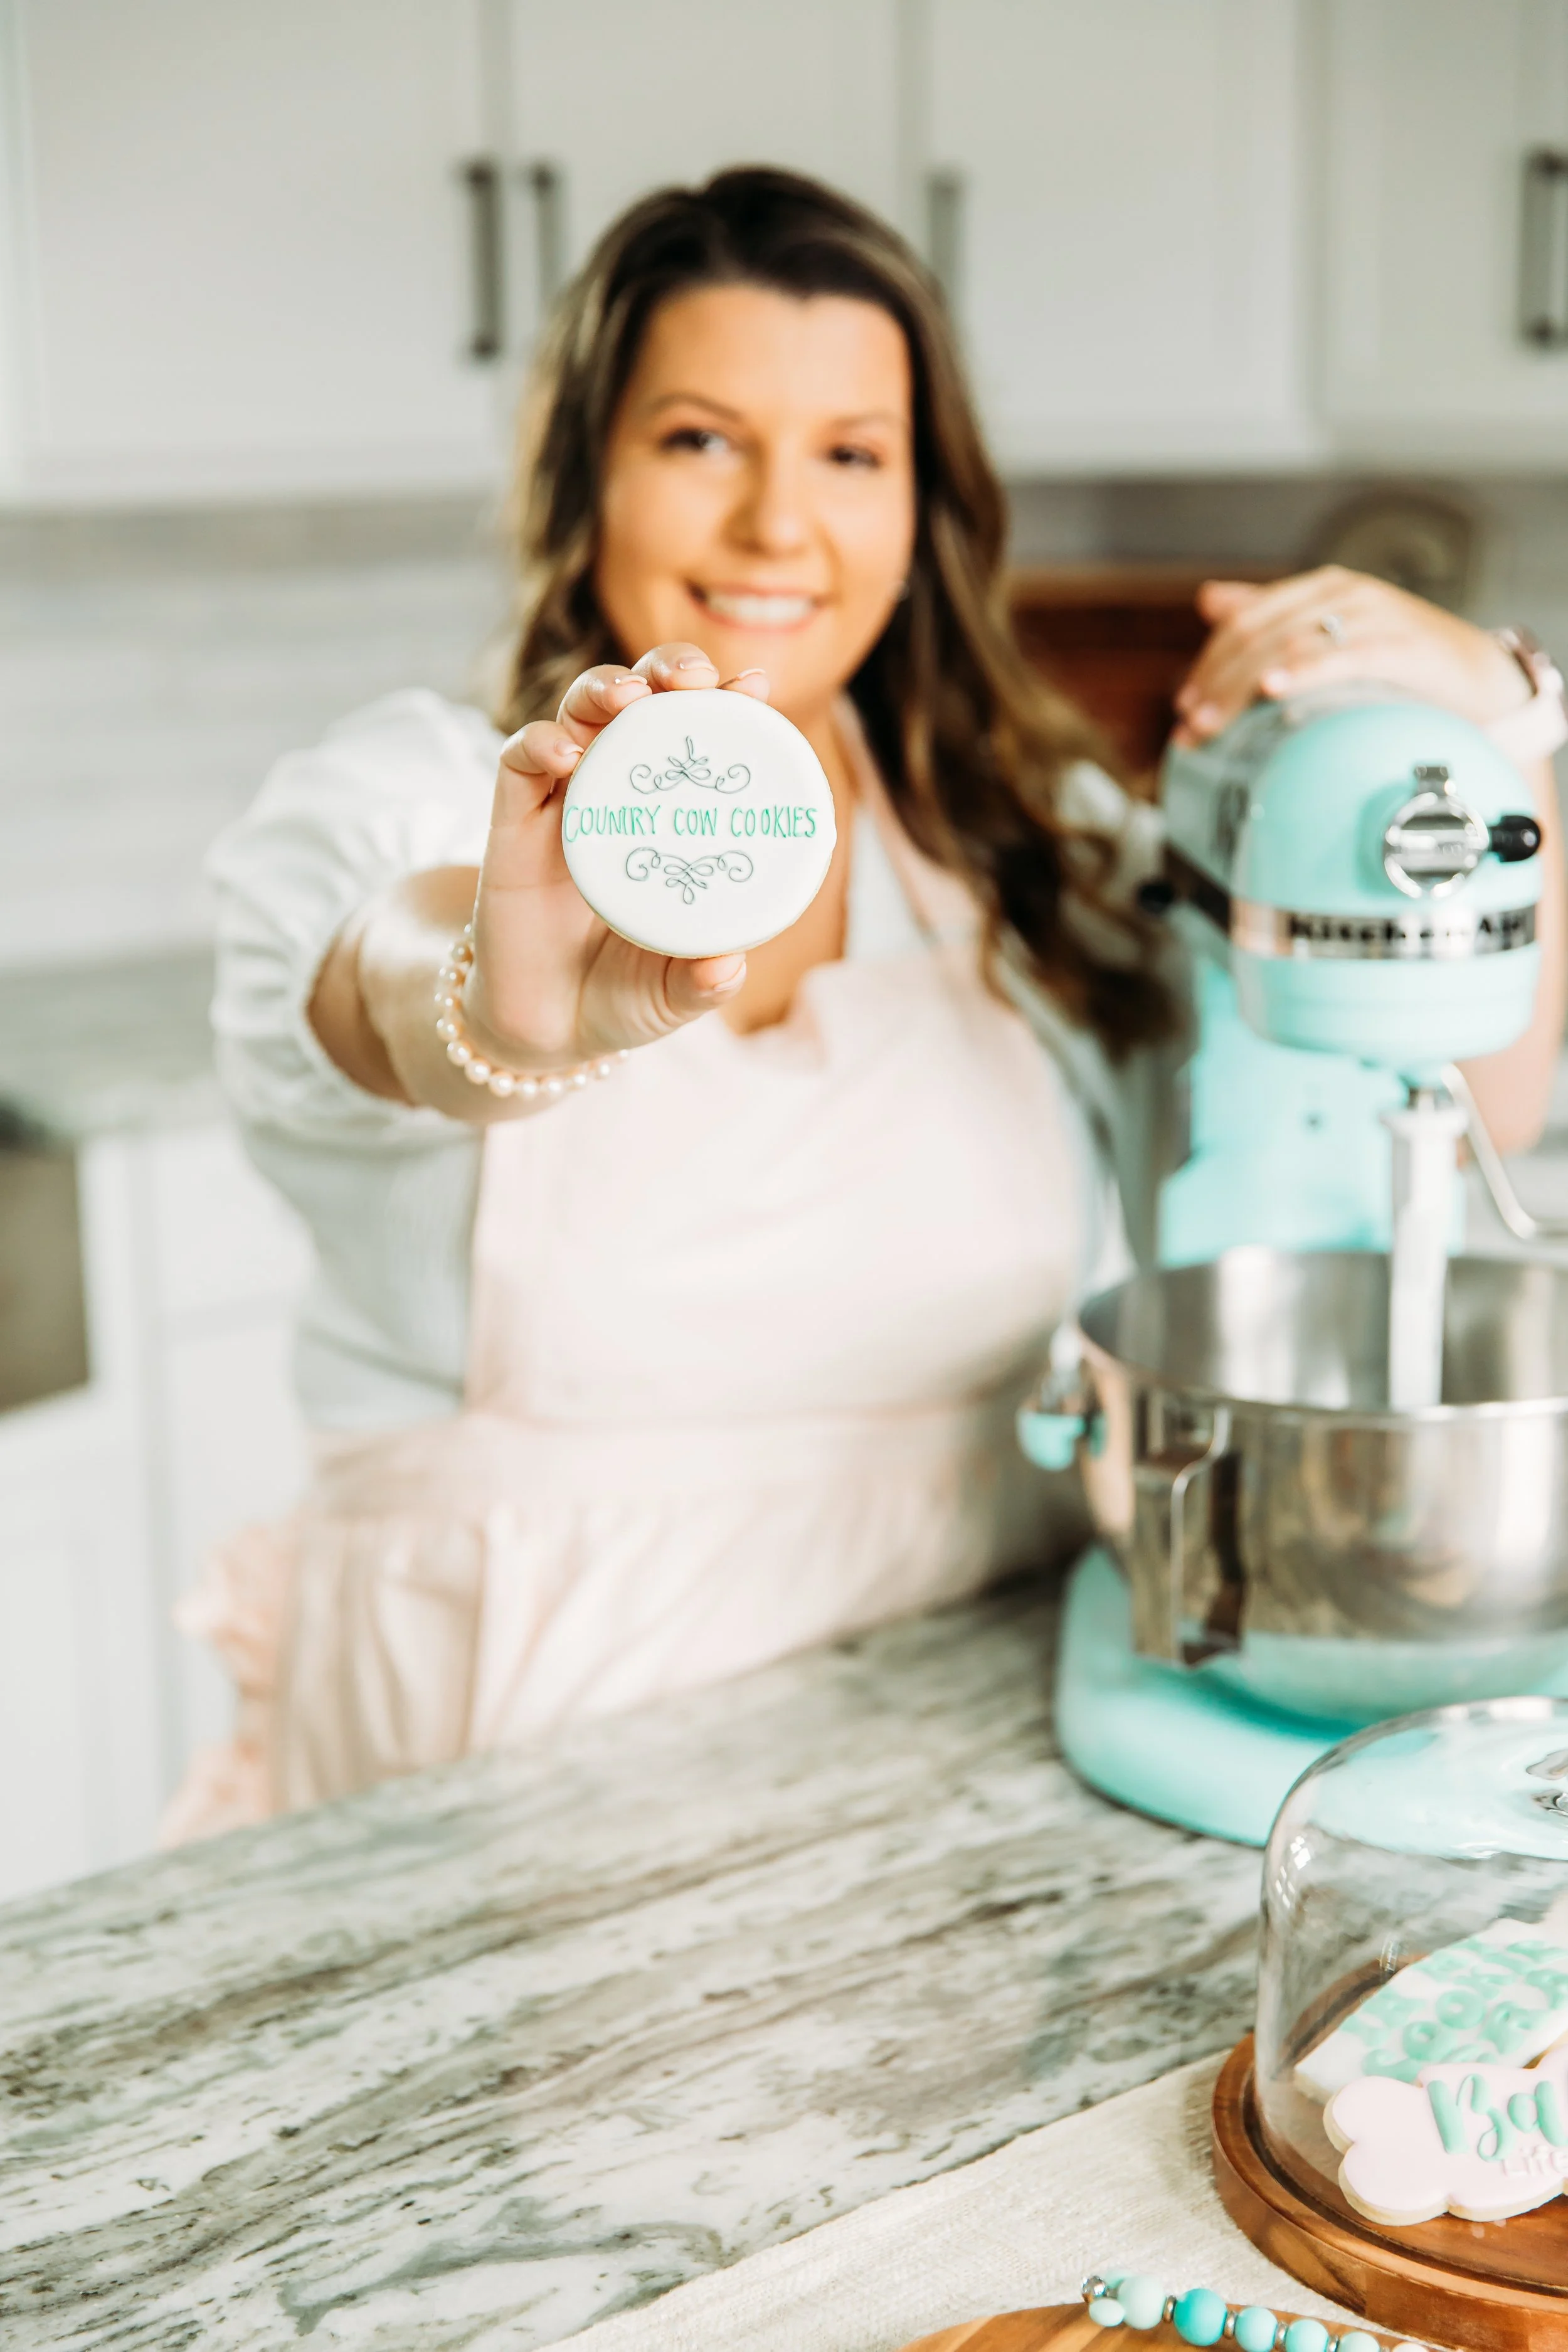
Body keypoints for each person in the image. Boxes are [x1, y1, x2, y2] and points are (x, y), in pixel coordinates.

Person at [165, 169, 1565, 1838]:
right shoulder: (410, 804)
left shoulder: (1029, 858)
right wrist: (505, 1013)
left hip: (960, 1785)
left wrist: (1508, 744)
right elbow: (380, 983)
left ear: (922, 507)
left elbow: (1475, 1107)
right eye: (698, 439)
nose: (776, 526)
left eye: (850, 452)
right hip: (505, 1790)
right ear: (585, 475)